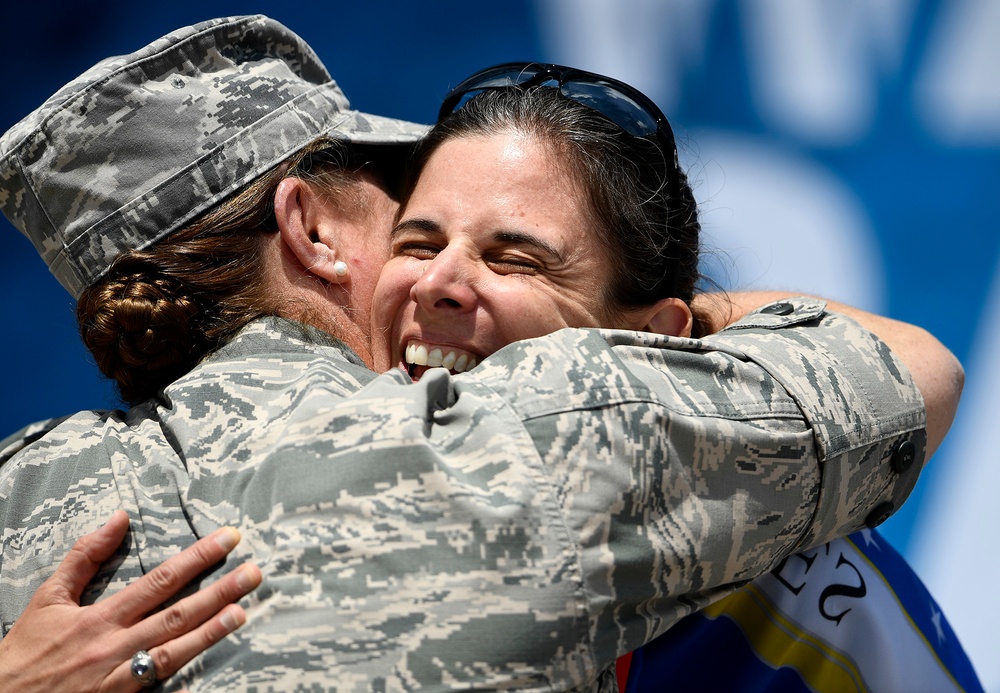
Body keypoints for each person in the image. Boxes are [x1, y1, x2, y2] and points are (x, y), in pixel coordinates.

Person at [0, 16, 958, 692]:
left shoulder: (20, 488)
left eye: (509, 255)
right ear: (312, 231)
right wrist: (646, 333)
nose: (443, 279)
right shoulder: (536, 432)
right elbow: (908, 370)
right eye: (410, 218)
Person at [368, 66, 979, 692]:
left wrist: (675, 334)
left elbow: (925, 369)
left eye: (515, 261)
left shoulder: (729, 481)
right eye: (416, 245)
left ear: (651, 343)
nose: (435, 282)